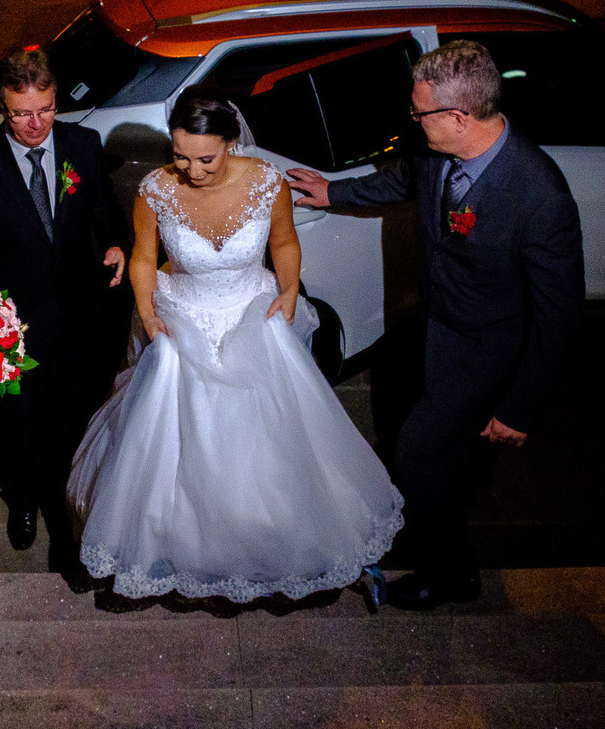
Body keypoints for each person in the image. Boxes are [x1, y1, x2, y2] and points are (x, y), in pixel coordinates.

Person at [66, 85, 404, 603]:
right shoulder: (155, 190)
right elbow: (142, 257)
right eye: (180, 156)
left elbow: (284, 242)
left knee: (270, 441)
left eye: (204, 158)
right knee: (179, 434)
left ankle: (269, 537)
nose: (192, 170)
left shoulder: (267, 184)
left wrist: (289, 289)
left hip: (253, 310)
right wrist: (148, 311)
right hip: (184, 315)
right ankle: (185, 542)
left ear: (230, 143)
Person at [289, 40, 585, 610]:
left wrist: (521, 406)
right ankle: (448, 495)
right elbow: (403, 180)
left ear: (458, 117)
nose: (412, 120)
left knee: (417, 454)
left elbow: (558, 314)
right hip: (436, 330)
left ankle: (450, 574)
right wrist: (333, 193)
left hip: (486, 351)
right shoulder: (435, 153)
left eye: (419, 112)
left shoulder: (540, 196)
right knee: (442, 455)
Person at [0, 49, 131, 569]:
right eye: (22, 114)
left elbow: (104, 216)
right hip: (14, 325)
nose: (36, 125)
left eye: (47, 110)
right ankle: (24, 499)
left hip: (78, 316)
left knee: (69, 418)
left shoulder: (84, 144)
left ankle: (66, 508)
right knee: (19, 423)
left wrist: (116, 244)